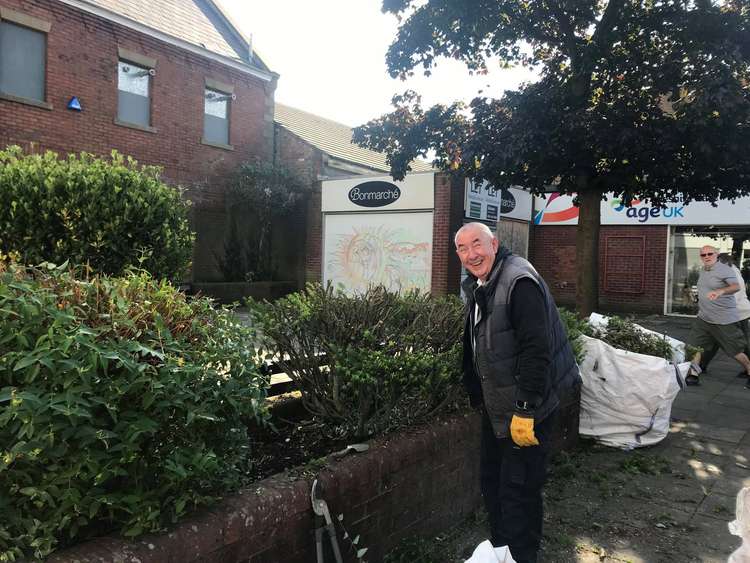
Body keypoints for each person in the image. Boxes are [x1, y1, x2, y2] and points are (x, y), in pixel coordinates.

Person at [455, 222, 581, 563]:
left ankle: (522, 556)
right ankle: (501, 553)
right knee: (493, 485)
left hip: (526, 410)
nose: (471, 254)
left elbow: (535, 349)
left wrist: (525, 408)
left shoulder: (517, 280)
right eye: (462, 249)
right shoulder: (484, 281)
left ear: (494, 243)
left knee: (519, 492)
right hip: (498, 408)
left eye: (477, 244)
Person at [686, 246, 750, 385]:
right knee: (694, 346)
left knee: (735, 351)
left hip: (723, 320)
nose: (706, 257)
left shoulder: (726, 270)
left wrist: (721, 291)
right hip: (704, 318)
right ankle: (694, 373)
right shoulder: (704, 270)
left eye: (710, 254)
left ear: (717, 255)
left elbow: (735, 287)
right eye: (703, 255)